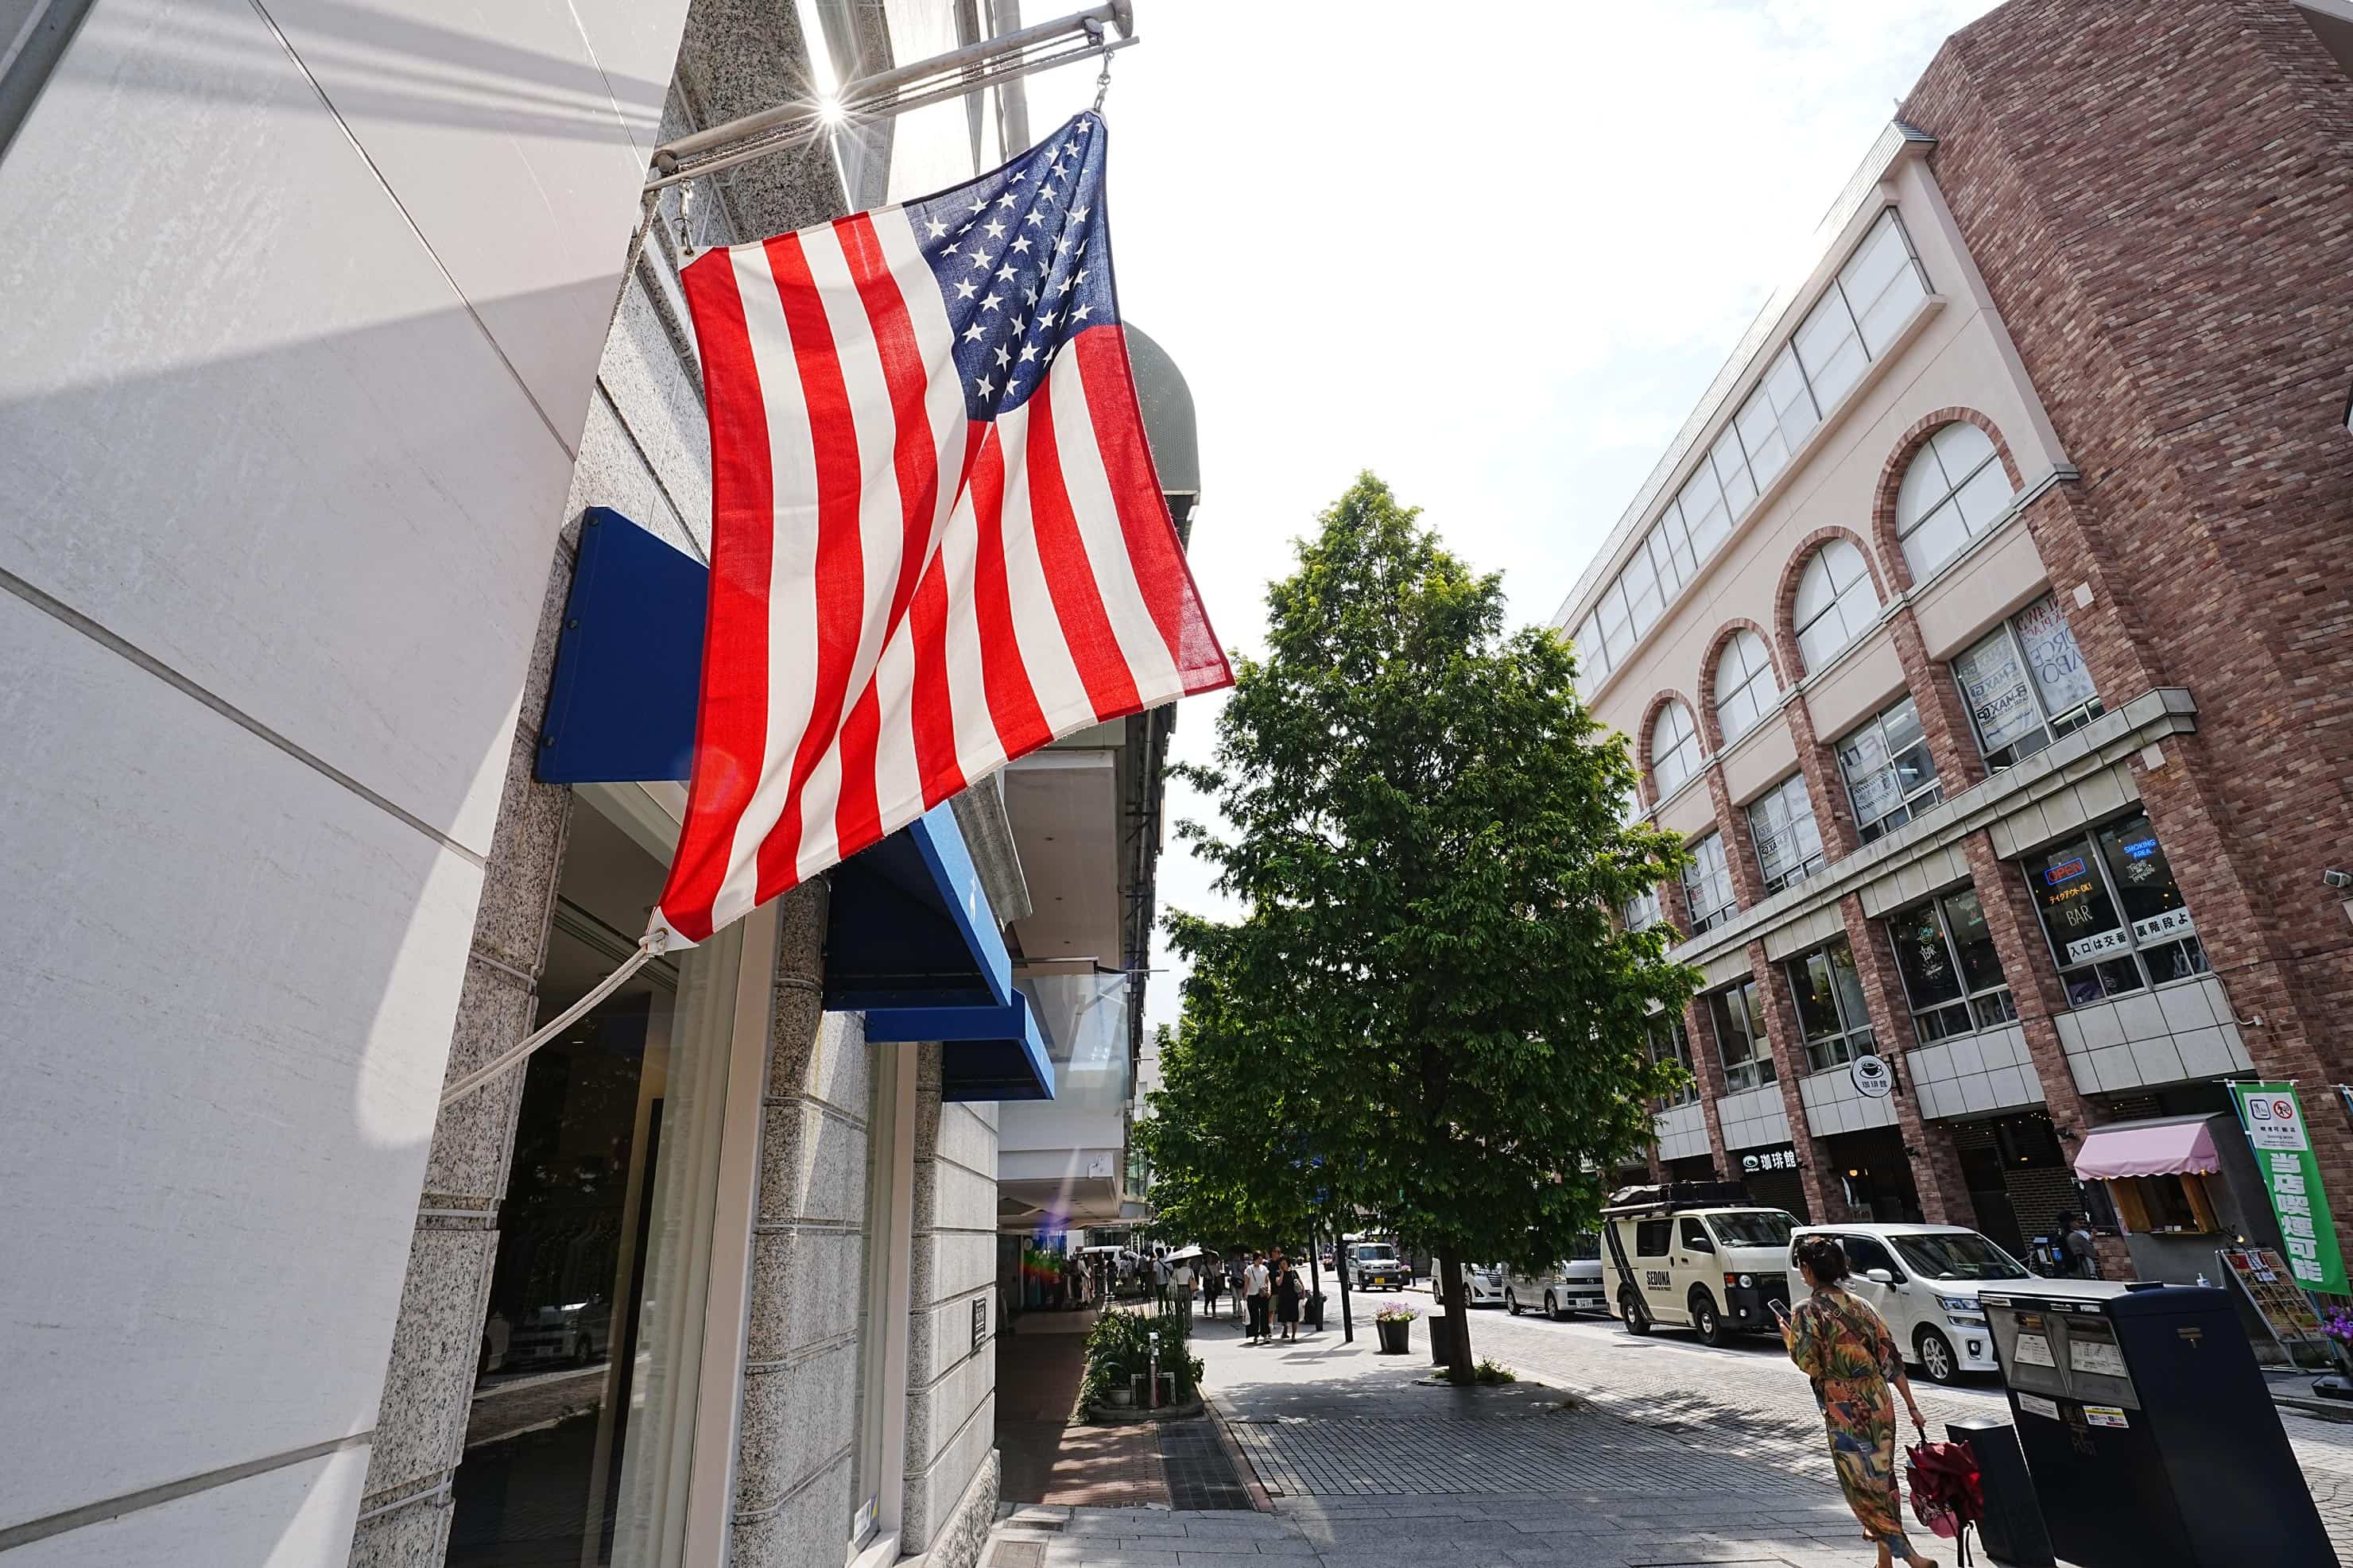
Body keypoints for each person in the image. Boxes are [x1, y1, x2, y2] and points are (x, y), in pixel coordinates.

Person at [1781, 1234, 1939, 1568]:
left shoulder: (1806, 1311)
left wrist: (1788, 1338)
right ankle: (1885, 1560)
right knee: (1882, 1478)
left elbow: (1808, 1363)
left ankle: (1911, 1557)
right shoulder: (1862, 1306)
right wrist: (1912, 1407)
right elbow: (1891, 1359)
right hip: (1879, 1400)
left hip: (1844, 1406)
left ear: (1807, 1270)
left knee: (1859, 1485)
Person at [2058, 1212, 2099, 1280]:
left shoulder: (2060, 1237)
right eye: (2075, 1221)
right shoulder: (2075, 1236)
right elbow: (2092, 1253)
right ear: (2070, 1223)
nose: (2077, 1223)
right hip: (2082, 1270)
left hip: (2068, 1270)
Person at [1275, 1256, 1304, 1342]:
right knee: (1283, 1317)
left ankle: (1293, 1335)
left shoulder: (1293, 1272)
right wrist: (1282, 1273)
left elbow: (1300, 1283)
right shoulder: (1278, 1273)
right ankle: (1285, 1328)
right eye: (1281, 1264)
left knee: (1295, 1318)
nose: (1283, 1265)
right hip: (1283, 1298)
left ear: (1288, 1263)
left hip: (1294, 1297)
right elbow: (1278, 1283)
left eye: (1284, 1263)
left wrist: (1303, 1292)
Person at [1245, 1252, 1271, 1342]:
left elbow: (1268, 1280)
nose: (1261, 1260)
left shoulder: (1264, 1268)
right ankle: (1255, 1335)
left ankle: (1265, 1334)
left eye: (1261, 1259)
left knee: (1264, 1314)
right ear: (1255, 1259)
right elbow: (1246, 1283)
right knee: (1254, 1315)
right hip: (1252, 1294)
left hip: (1262, 1294)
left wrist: (1269, 1290)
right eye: (1259, 1259)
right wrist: (1245, 1295)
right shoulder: (1249, 1269)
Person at [1172, 1256, 1195, 1328]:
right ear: (1186, 1261)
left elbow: (1173, 1280)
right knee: (1188, 1309)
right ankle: (1188, 1326)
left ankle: (1180, 1325)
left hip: (1179, 1289)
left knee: (1179, 1309)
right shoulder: (1190, 1270)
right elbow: (1193, 1281)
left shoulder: (1176, 1270)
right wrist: (1193, 1294)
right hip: (1188, 1289)